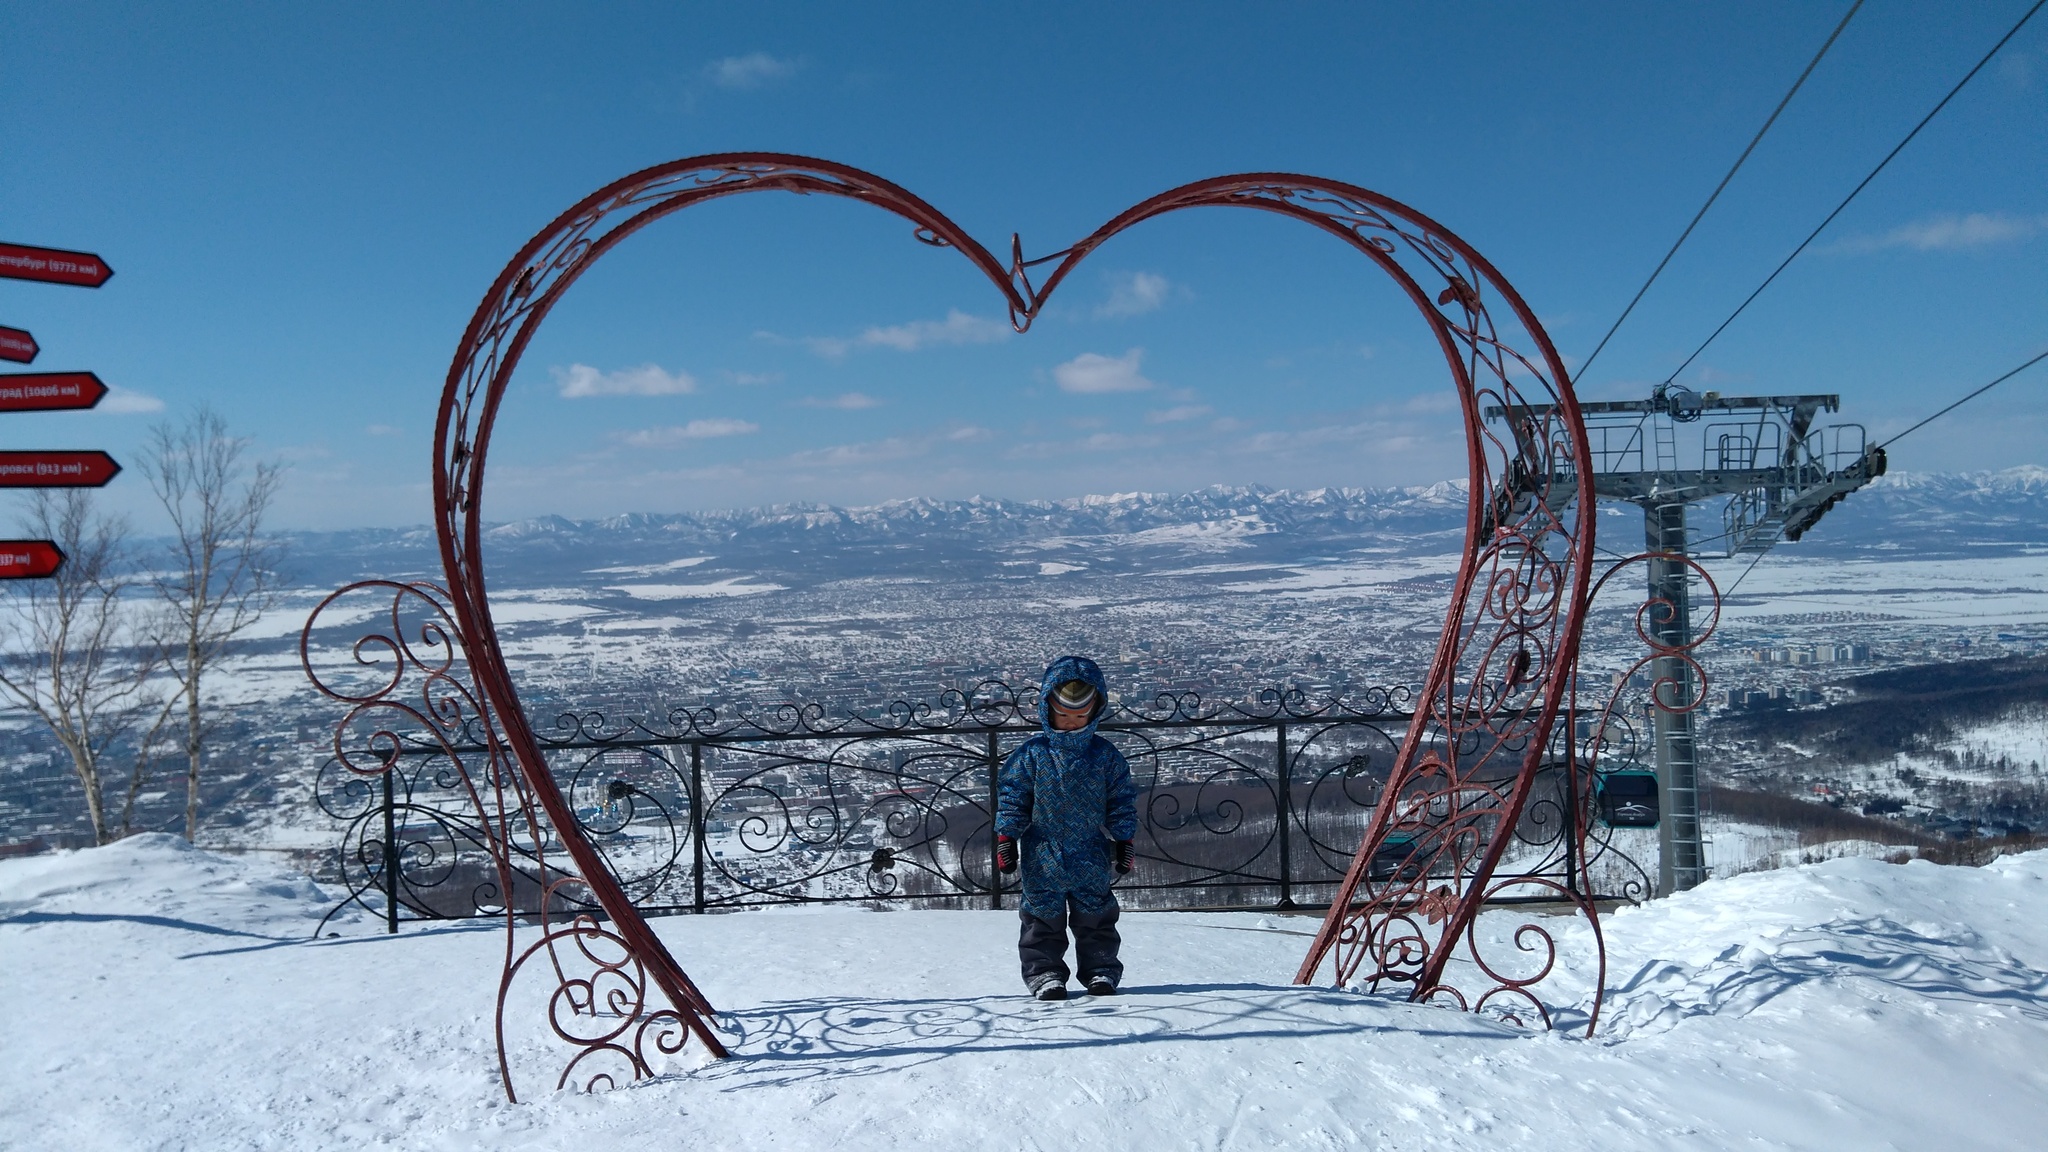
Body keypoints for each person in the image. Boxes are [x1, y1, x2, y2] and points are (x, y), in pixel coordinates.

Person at [995, 655, 1138, 1000]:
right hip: (1041, 851)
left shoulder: (1105, 756)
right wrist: (1006, 837)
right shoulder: (1032, 755)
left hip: (1090, 850)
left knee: (1097, 915)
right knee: (1042, 917)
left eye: (1078, 716)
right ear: (1047, 709)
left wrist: (1124, 840)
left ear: (1094, 712)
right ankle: (1044, 974)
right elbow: (1014, 797)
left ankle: (1101, 970)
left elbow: (1120, 799)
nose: (1071, 723)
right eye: (1063, 715)